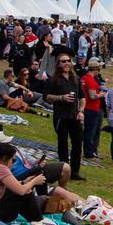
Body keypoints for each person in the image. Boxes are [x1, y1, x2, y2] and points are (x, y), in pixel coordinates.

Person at [43, 49, 85, 178]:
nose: (67, 63)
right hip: (61, 116)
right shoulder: (53, 80)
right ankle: (63, 170)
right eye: (63, 61)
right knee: (63, 144)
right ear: (58, 64)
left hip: (74, 115)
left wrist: (81, 111)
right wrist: (61, 98)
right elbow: (47, 97)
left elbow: (82, 97)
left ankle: (75, 172)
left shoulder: (76, 79)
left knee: (77, 144)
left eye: (68, 61)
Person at [80, 58, 104, 160]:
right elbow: (92, 96)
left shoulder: (84, 78)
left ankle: (88, 151)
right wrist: (101, 94)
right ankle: (89, 153)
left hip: (85, 107)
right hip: (92, 108)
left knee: (87, 131)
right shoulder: (91, 81)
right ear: (96, 70)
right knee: (90, 132)